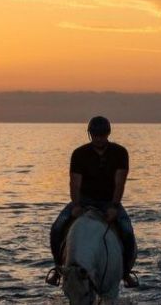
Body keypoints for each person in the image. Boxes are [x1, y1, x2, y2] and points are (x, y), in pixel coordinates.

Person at [49, 115, 136, 287]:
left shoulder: (120, 153)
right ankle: (58, 269)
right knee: (57, 228)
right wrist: (76, 205)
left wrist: (114, 206)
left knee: (127, 231)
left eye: (102, 135)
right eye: (95, 135)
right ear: (90, 134)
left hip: (109, 201)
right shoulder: (79, 154)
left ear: (108, 134)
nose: (99, 138)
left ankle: (126, 272)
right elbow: (75, 183)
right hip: (84, 200)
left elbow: (120, 182)